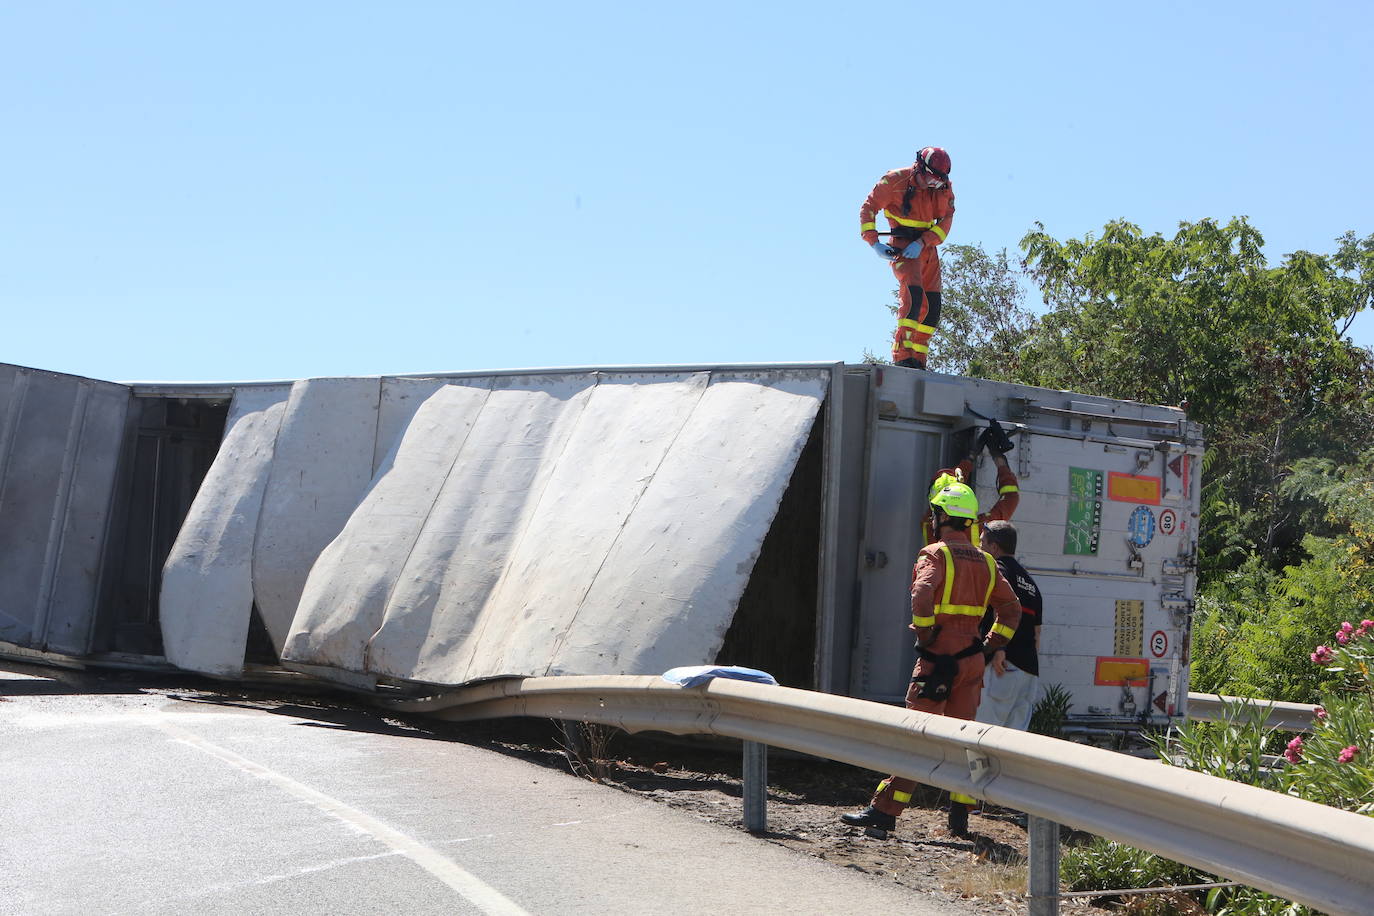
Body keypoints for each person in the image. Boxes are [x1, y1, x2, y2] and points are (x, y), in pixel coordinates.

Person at [840, 481, 1021, 839]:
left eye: (936, 513)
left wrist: (925, 634)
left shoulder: (935, 553)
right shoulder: (986, 560)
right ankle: (960, 818)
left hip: (939, 659)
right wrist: (989, 645)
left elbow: (922, 592)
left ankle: (884, 811)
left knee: (914, 735)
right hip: (971, 660)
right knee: (964, 738)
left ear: (942, 516)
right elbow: (1011, 609)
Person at [859, 147, 955, 370]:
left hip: (926, 248)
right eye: (930, 179)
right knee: (913, 297)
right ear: (920, 168)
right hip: (903, 245)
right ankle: (903, 356)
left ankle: (918, 360)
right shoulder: (894, 181)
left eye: (937, 182)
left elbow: (945, 223)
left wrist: (923, 242)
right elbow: (868, 209)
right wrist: (874, 243)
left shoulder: (944, 187)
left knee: (932, 308)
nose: (933, 185)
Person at [975, 520, 1043, 732]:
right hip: (1028, 672)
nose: (979, 548)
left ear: (994, 547)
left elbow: (1001, 610)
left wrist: (999, 650)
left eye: (982, 543)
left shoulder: (998, 570)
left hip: (1002, 667)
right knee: (1011, 744)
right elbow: (1037, 634)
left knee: (982, 736)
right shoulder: (1031, 585)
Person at [920, 418, 1020, 549]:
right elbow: (1011, 497)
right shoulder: (980, 528)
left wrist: (971, 457)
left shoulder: (928, 526)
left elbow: (953, 492)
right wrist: (998, 459)